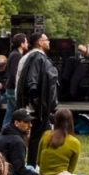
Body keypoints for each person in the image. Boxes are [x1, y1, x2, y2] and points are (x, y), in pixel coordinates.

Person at [13, 32, 59, 165]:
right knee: (36, 139)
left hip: (32, 105)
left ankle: (42, 165)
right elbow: (32, 84)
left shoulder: (28, 57)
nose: (49, 42)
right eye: (46, 40)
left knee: (46, 137)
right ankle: (33, 166)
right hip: (35, 107)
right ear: (40, 42)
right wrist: (39, 104)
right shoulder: (36, 58)